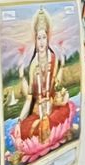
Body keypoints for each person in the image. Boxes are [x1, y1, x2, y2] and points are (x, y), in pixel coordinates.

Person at [13, 8, 72, 149]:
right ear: (35, 40)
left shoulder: (53, 59)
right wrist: (19, 121)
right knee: (25, 130)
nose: (41, 42)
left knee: (65, 110)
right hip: (37, 113)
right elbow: (29, 98)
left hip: (52, 111)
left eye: (44, 37)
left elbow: (56, 87)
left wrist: (61, 97)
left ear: (48, 38)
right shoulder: (34, 65)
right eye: (38, 38)